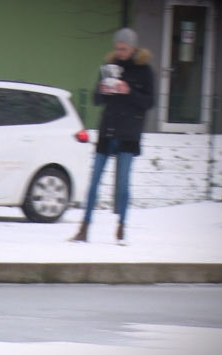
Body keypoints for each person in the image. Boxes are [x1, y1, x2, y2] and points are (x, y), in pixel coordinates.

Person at [71, 28, 154, 244]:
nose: (120, 52)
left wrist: (130, 92)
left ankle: (121, 228)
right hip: (108, 129)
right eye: (117, 48)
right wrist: (102, 91)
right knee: (94, 181)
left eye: (124, 48)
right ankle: (84, 227)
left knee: (124, 183)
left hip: (129, 133)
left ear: (133, 48)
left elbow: (150, 102)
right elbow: (96, 100)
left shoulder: (145, 71)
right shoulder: (109, 67)